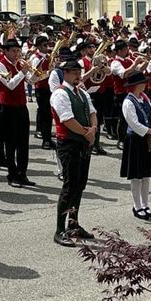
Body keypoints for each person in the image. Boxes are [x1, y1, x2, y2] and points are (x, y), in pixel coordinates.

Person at [50, 60, 97, 247]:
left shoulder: (82, 93)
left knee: (80, 185)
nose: (78, 75)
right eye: (74, 72)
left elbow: (92, 112)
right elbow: (67, 120)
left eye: (79, 71)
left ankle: (73, 224)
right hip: (69, 144)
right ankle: (59, 229)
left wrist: (93, 129)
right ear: (65, 73)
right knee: (69, 187)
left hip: (83, 143)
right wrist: (87, 133)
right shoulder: (60, 93)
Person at [120, 71, 151, 220]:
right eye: (143, 82)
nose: (145, 84)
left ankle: (145, 205)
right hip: (135, 140)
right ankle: (137, 206)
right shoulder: (128, 102)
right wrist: (150, 131)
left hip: (147, 139)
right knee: (136, 176)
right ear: (135, 85)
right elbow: (133, 123)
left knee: (146, 174)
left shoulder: (144, 97)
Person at [0, 38, 34, 187]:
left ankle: (22, 173)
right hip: (8, 107)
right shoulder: (0, 65)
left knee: (23, 143)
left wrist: (35, 73)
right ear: (5, 51)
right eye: (13, 51)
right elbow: (10, 85)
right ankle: (12, 175)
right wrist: (23, 72)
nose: (16, 54)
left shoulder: (19, 64)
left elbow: (31, 81)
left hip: (21, 106)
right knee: (10, 143)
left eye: (18, 51)